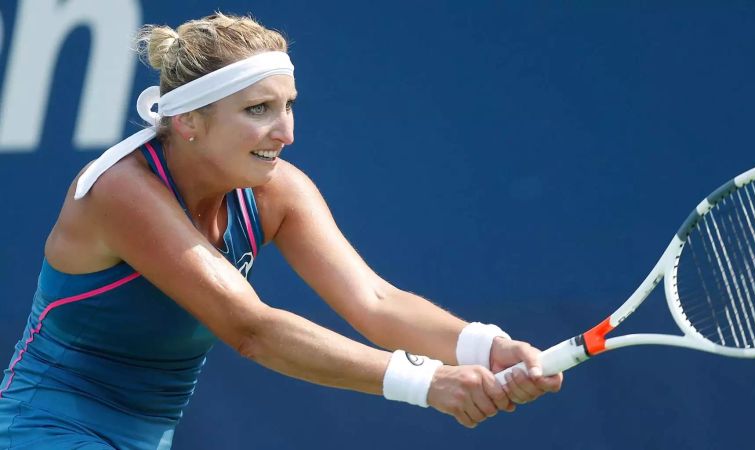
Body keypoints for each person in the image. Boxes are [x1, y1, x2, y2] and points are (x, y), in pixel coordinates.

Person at [0, 12, 562, 449]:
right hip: (43, 429)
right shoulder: (120, 192)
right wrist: (429, 382)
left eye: (289, 106)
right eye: (258, 109)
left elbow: (376, 302)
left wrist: (488, 348)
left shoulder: (277, 190)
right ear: (187, 122)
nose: (285, 132)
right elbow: (252, 330)